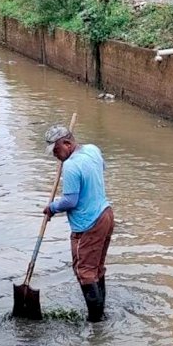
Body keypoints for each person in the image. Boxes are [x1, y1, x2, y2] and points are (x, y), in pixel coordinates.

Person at [43, 125, 114, 322]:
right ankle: (101, 313)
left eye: (56, 151)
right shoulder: (93, 150)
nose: (55, 156)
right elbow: (102, 168)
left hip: (89, 223)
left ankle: (95, 320)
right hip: (106, 214)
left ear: (67, 143)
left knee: (85, 271)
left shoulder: (71, 166)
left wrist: (52, 208)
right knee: (97, 268)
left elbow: (70, 201)